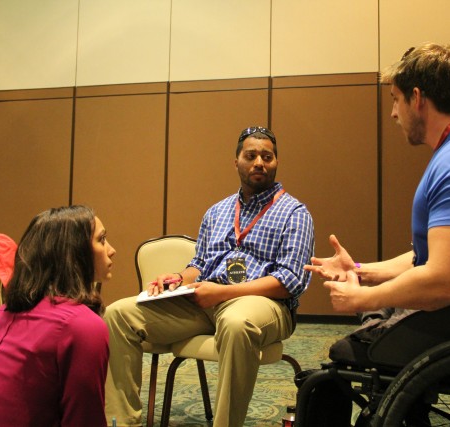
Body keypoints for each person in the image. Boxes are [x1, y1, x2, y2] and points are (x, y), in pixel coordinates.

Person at [306, 43, 450, 363]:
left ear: (417, 98)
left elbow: (445, 279)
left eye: (396, 100)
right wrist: (360, 271)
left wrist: (362, 297)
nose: (394, 113)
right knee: (381, 309)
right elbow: (429, 256)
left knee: (336, 366)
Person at [104, 126, 315, 427]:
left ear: (276, 163)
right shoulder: (217, 212)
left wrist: (223, 293)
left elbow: (289, 282)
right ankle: (121, 422)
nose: (259, 163)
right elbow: (199, 265)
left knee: (236, 322)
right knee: (117, 315)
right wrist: (178, 278)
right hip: (204, 302)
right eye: (250, 155)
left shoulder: (295, 213)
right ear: (236, 162)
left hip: (263, 303)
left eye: (266, 157)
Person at [0, 205, 116, 427]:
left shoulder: (1, 314)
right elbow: (84, 418)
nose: (111, 250)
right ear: (73, 251)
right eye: (102, 239)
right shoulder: (83, 326)